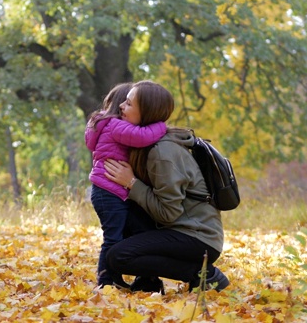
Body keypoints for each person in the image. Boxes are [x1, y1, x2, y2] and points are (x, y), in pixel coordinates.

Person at [103, 80, 230, 294]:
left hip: (198, 237)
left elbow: (169, 213)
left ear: (147, 112)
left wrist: (131, 183)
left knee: (119, 256)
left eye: (129, 104)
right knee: (126, 211)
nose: (122, 107)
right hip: (182, 228)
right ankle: (148, 282)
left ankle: (205, 276)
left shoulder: (162, 153)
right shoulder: (148, 144)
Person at [85, 82, 168, 289]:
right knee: (113, 237)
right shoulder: (116, 126)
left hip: (107, 191)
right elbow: (142, 137)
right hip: (108, 192)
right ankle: (106, 281)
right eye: (125, 102)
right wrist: (162, 124)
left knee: (125, 232)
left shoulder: (107, 125)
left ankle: (141, 278)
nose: (124, 106)